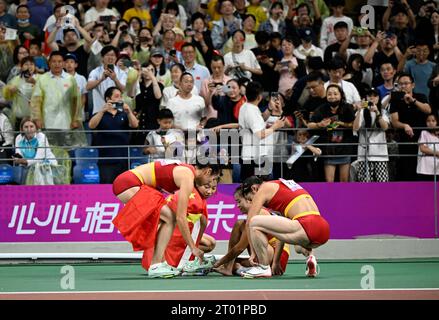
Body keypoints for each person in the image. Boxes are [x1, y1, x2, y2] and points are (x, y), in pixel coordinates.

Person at [112, 159, 221, 277]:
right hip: (129, 184)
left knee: (165, 220)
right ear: (208, 171)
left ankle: (158, 263)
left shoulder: (186, 171)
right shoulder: (187, 177)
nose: (213, 182)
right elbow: (181, 217)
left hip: (128, 183)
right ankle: (156, 265)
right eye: (214, 178)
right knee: (170, 218)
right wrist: (193, 247)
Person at [238, 176, 330, 278]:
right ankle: (310, 257)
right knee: (298, 246)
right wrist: (276, 262)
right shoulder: (281, 187)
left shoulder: (263, 189)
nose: (252, 203)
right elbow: (280, 235)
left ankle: (263, 267)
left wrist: (254, 253)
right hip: (322, 229)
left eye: (250, 199)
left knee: (254, 222)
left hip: (306, 224)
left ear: (254, 188)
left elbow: (249, 221)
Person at [144, 178, 218, 275]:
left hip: (164, 238)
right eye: (206, 187)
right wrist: (189, 256)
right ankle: (179, 262)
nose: (210, 192)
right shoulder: (194, 200)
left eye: (213, 188)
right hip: (165, 243)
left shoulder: (195, 195)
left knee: (210, 243)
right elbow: (182, 227)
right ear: (197, 184)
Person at [213, 186, 290, 276]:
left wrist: (219, 263)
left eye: (239, 201)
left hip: (275, 259)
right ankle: (230, 267)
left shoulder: (257, 215)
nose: (237, 205)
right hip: (270, 254)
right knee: (239, 224)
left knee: (231, 261)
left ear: (249, 200)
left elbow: (239, 248)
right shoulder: (258, 211)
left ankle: (237, 268)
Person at [88, 87, 139, 184]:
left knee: (124, 186)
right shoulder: (99, 114)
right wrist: (102, 111)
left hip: (123, 158)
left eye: (121, 96)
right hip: (106, 159)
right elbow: (91, 125)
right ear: (108, 99)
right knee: (106, 185)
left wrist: (129, 111)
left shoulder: (124, 114)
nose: (120, 99)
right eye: (116, 96)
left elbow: (135, 125)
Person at [307, 84, 355, 182]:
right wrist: (320, 125)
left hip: (345, 148)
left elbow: (354, 124)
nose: (332, 96)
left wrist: (341, 123)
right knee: (329, 181)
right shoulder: (321, 109)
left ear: (341, 95)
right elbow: (309, 125)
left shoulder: (347, 108)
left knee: (344, 180)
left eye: (335, 94)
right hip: (328, 150)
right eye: (329, 94)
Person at [389, 73, 432, 181]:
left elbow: (428, 110)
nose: (403, 86)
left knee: (423, 169)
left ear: (412, 85)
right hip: (405, 139)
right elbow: (394, 122)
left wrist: (413, 100)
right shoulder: (395, 100)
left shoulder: (421, 96)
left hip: (422, 138)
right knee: (406, 169)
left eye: (406, 83)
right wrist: (405, 125)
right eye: (400, 84)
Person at [353, 88, 390, 182]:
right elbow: (355, 128)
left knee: (382, 183)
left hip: (380, 154)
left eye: (375, 96)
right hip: (363, 154)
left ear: (378, 97)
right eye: (369, 96)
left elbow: (385, 127)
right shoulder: (361, 112)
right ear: (366, 98)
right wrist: (359, 110)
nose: (372, 98)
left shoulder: (383, 112)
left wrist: (377, 112)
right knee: (364, 183)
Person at [12, 117, 57, 184]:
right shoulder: (19, 138)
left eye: (31, 126)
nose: (29, 129)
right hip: (26, 163)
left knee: (35, 168)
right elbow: (18, 153)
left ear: (36, 128)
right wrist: (18, 158)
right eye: (26, 127)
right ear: (22, 129)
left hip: (44, 163)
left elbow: (39, 158)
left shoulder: (42, 137)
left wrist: (25, 162)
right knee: (23, 169)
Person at [416, 113, 439, 180]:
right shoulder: (424, 133)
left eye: (433, 121)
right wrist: (437, 153)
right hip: (425, 169)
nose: (431, 123)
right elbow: (423, 148)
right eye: (428, 121)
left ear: (437, 122)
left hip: (436, 169)